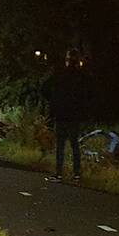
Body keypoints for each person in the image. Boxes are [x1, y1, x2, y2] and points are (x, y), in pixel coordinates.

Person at [43, 48, 88, 183]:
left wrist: (54, 101)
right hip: (74, 114)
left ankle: (59, 173)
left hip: (61, 113)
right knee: (74, 144)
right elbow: (89, 95)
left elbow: (44, 88)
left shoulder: (59, 74)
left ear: (67, 60)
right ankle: (76, 174)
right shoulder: (82, 77)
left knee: (60, 145)